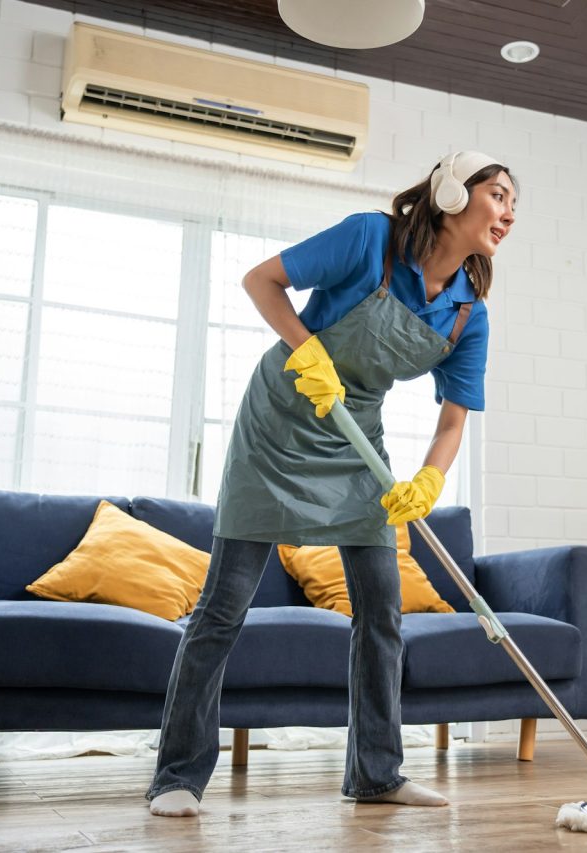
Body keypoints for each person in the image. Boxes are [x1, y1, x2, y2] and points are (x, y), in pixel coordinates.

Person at [146, 151, 517, 817]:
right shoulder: (372, 239)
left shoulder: (468, 313)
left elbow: (453, 419)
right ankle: (177, 774)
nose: (509, 211)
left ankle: (377, 772)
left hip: (354, 443)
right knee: (224, 603)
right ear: (453, 193)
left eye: (514, 202)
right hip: (277, 425)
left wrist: (428, 479)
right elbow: (261, 280)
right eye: (499, 194)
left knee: (382, 606)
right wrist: (304, 348)